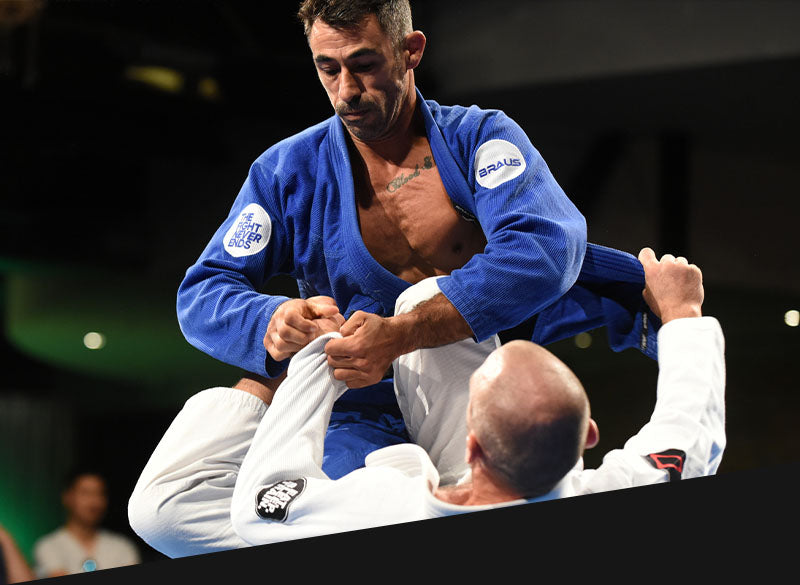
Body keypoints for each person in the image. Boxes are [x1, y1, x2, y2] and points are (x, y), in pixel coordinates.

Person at [175, 0, 660, 480]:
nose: (347, 91)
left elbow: (547, 247)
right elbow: (202, 294)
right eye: (328, 69)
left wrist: (405, 332)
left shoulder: (477, 138)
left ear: (411, 51)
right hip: (360, 409)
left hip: (480, 382)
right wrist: (270, 320)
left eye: (364, 65)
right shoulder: (287, 173)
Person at [129, 248, 725, 555]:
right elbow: (687, 441)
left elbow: (261, 507)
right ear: (589, 436)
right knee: (426, 301)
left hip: (395, 494)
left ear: (472, 438)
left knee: (161, 513)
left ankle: (272, 385)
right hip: (455, 482)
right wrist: (683, 315)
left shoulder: (378, 509)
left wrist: (319, 355)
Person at [33, 470, 140, 578]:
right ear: (67, 497)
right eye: (86, 493)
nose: (94, 502)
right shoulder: (49, 546)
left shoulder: (122, 546)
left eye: (100, 494)